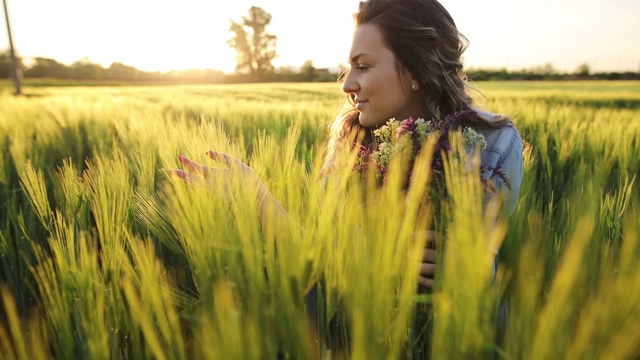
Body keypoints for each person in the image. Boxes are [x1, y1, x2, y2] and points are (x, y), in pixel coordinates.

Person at [170, 0, 523, 353]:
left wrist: (453, 263)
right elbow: (320, 263)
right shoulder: (349, 143)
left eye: (364, 66)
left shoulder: (492, 142)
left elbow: (478, 264)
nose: (347, 84)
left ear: (418, 70)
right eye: (348, 67)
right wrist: (254, 195)